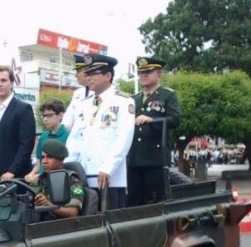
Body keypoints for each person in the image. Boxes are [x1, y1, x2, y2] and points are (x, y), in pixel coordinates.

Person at [65, 53, 135, 210]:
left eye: (94, 73)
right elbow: (75, 138)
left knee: (111, 225)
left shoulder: (123, 101)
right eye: (87, 73)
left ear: (108, 75)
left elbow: (124, 137)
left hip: (109, 176)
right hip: (84, 175)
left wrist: (108, 167)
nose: (89, 78)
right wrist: (68, 166)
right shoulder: (84, 104)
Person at [126, 57, 181, 207]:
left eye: (148, 72)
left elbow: (175, 120)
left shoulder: (167, 95)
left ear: (159, 74)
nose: (143, 75)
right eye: (141, 72)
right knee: (133, 202)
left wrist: (152, 120)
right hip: (134, 157)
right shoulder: (133, 99)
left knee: (154, 202)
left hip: (155, 157)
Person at [33, 139, 84, 219]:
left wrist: (49, 205)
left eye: (49, 157)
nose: (44, 161)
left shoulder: (72, 180)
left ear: (61, 160)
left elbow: (72, 213)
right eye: (43, 157)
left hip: (60, 226)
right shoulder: (39, 180)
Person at [25, 99, 69, 184]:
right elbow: (39, 164)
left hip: (59, 181)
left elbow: (67, 164)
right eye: (44, 116)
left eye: (49, 115)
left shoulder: (69, 136)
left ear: (60, 115)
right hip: (42, 181)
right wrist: (31, 174)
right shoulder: (43, 137)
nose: (45, 119)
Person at [62, 54, 90, 131]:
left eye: (78, 71)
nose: (75, 75)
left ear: (87, 71)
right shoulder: (78, 94)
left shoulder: (99, 93)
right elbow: (66, 122)